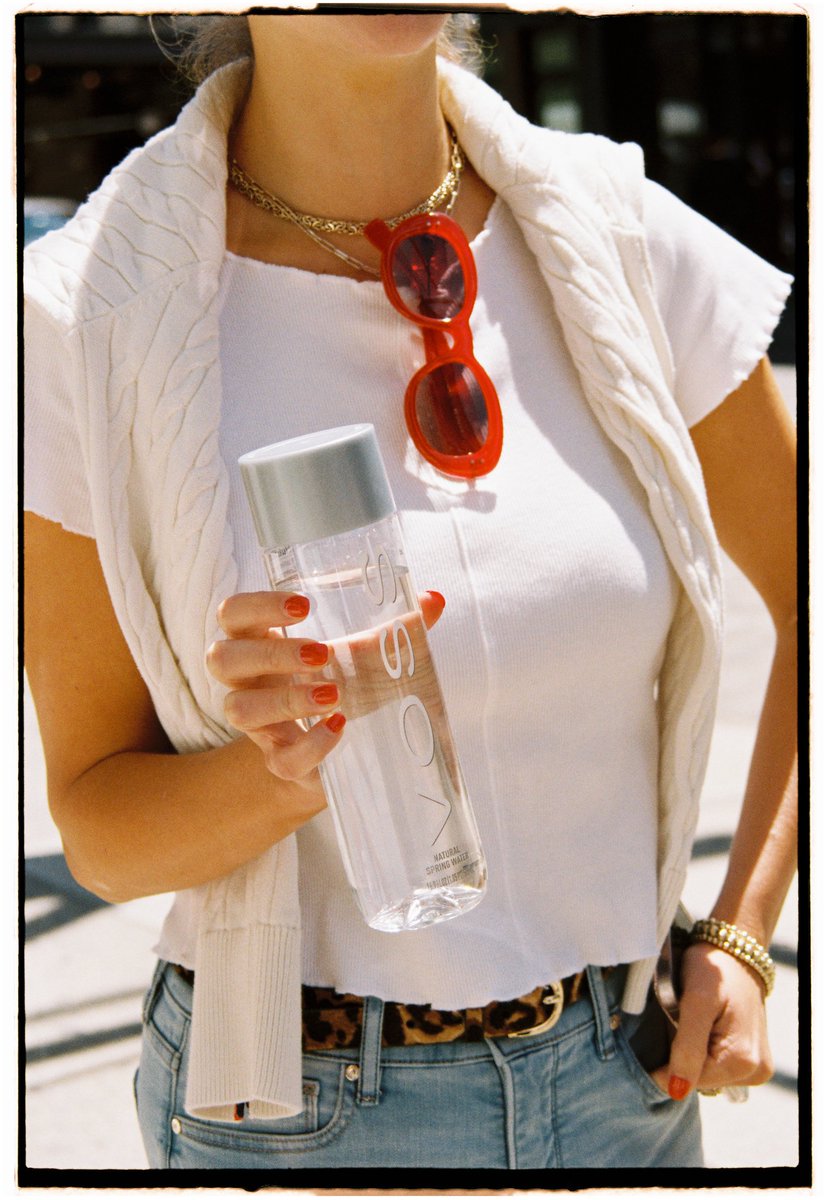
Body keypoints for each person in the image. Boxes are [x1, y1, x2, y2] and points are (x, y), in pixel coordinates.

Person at [23, 12, 797, 1171]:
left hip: (625, 1090)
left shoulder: (615, 227)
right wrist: (283, 767)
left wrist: (742, 929)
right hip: (299, 1119)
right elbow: (101, 834)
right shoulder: (81, 314)